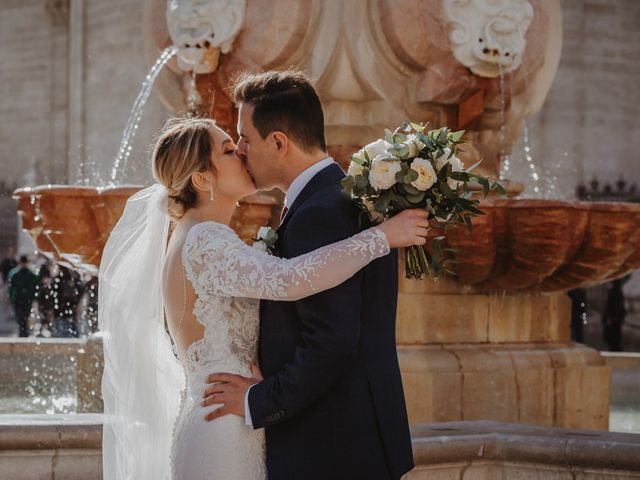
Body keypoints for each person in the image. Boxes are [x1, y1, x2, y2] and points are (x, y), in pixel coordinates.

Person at [99, 114, 426, 478]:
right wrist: (382, 237)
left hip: (228, 418)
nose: (241, 152)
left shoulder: (196, 236)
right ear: (202, 178)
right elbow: (289, 279)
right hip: (222, 429)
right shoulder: (206, 241)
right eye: (227, 150)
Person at [203, 70, 415, 479]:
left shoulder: (319, 214)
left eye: (245, 138)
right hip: (352, 438)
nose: (241, 150)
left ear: (279, 142)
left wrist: (260, 400)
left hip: (331, 447)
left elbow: (331, 341)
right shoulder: (341, 195)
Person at [6, 255, 38, 337]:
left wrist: (10, 297)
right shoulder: (31, 274)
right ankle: (24, 330)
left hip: (19, 298)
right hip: (26, 298)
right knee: (24, 315)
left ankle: (23, 330)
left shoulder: (15, 273)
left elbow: (10, 287)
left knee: (21, 315)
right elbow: (35, 287)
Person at [602, 276, 630, 351]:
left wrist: (610, 317)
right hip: (616, 319)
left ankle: (614, 349)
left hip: (614, 319)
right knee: (615, 337)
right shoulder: (617, 291)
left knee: (613, 337)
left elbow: (612, 306)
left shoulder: (614, 291)